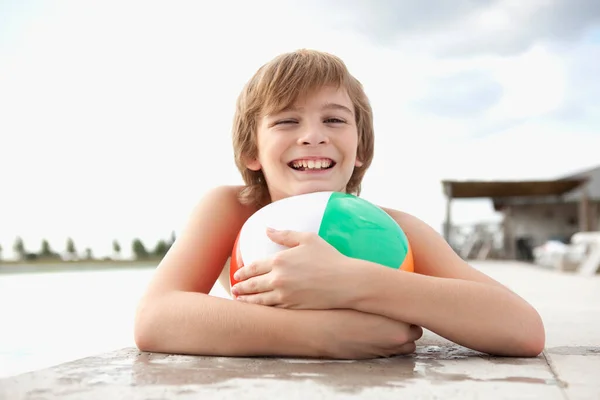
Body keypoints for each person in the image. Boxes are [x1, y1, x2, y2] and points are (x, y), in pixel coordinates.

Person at [134, 49, 545, 359]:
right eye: (286, 120)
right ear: (251, 152)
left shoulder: (396, 230)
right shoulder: (231, 208)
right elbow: (155, 318)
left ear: (360, 149)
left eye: (334, 120)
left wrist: (355, 281)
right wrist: (319, 336)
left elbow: (523, 329)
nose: (313, 135)